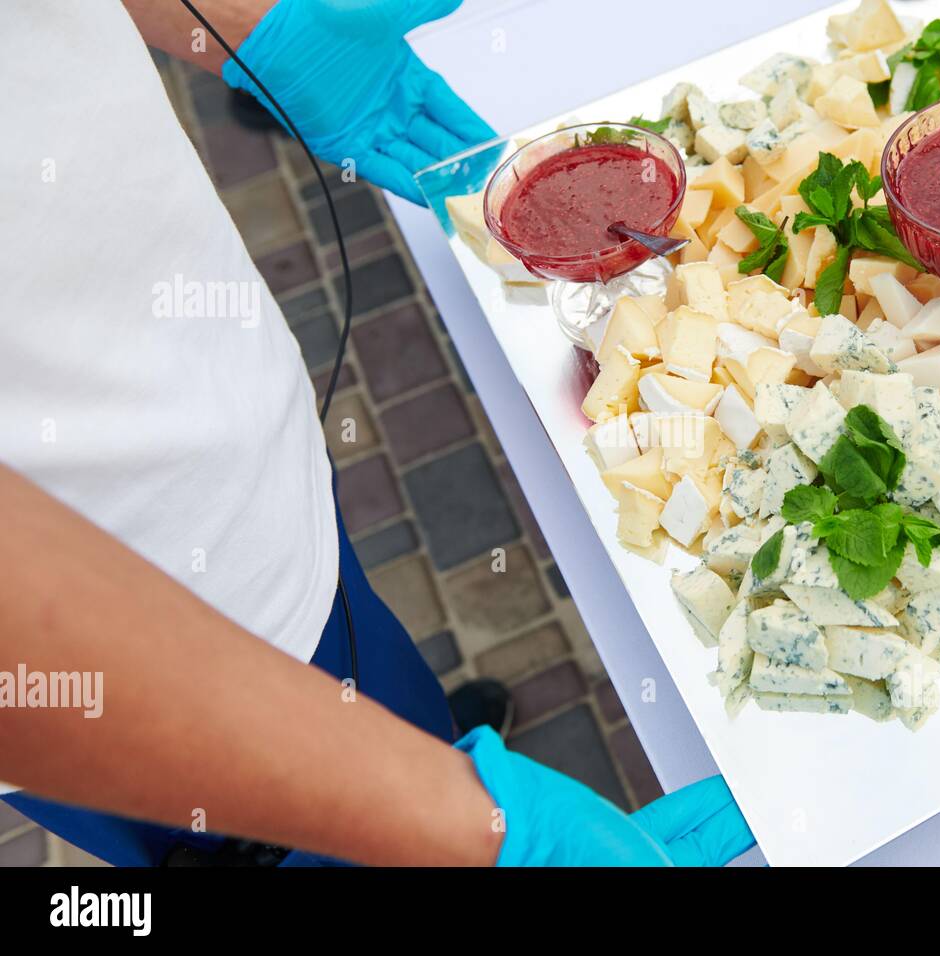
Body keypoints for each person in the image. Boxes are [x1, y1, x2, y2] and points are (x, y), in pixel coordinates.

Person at [0, 0, 755, 867]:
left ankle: (422, 739)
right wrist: (465, 830)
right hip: (115, 664)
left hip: (243, 470)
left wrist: (245, 23)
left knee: (391, 693)